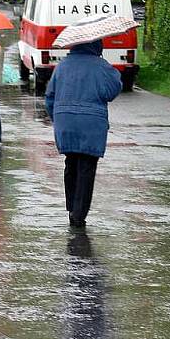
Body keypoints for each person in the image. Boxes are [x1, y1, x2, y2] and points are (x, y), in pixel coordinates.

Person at [45, 39, 122, 228]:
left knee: (70, 164)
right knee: (86, 168)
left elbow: (50, 97)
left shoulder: (62, 67)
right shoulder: (101, 67)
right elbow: (111, 91)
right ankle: (79, 215)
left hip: (65, 121)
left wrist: (57, 118)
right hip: (91, 124)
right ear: (97, 46)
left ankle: (72, 208)